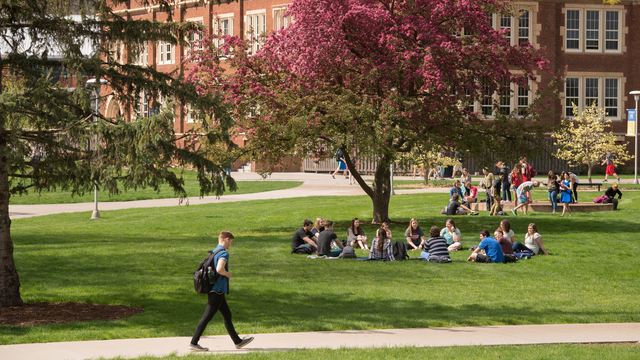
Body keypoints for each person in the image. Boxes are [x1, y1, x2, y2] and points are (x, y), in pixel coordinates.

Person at [190, 231, 254, 352]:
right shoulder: (223, 253)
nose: (231, 245)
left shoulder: (214, 252)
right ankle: (193, 342)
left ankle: (237, 341)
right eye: (231, 242)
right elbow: (219, 269)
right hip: (217, 290)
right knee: (207, 316)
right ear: (226, 240)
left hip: (214, 289)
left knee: (227, 314)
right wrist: (227, 274)